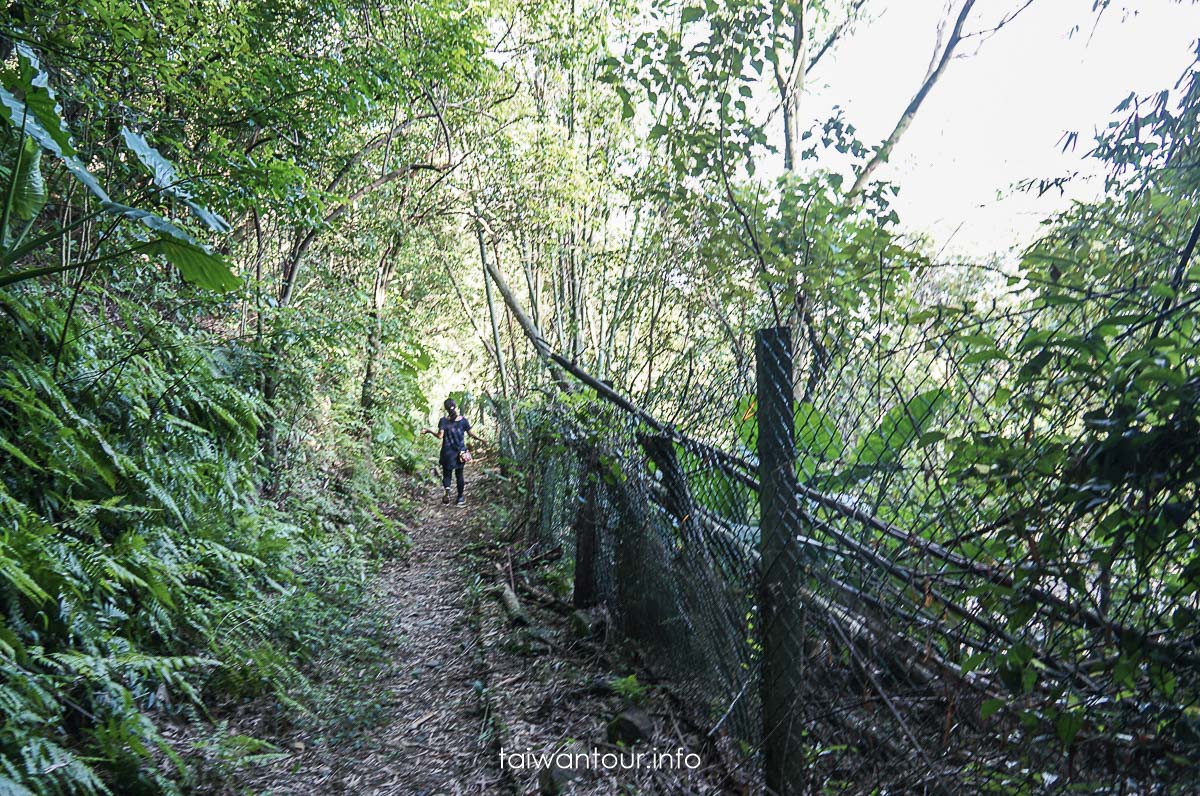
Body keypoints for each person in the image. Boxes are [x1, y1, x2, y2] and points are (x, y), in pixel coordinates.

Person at [421, 398, 486, 506]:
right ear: (455, 406)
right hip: (460, 453)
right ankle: (460, 498)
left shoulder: (443, 421)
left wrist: (428, 431)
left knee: (447, 475)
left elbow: (440, 436)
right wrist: (481, 440)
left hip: (447, 453)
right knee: (459, 475)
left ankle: (447, 491)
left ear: (446, 409)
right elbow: (471, 434)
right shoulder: (463, 421)